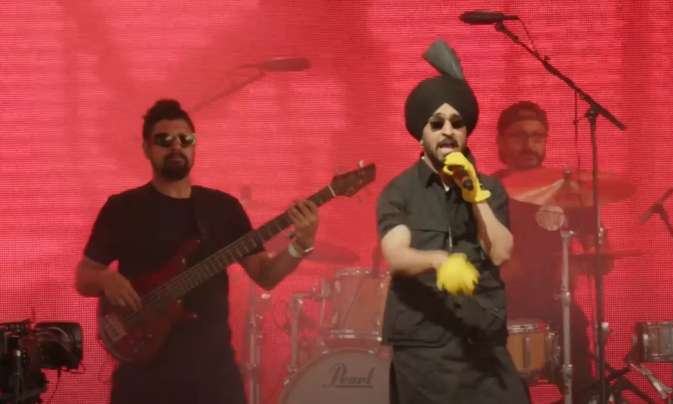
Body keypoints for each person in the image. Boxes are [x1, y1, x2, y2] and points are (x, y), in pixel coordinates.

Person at [74, 99, 319, 404]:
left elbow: (265, 275)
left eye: (185, 139)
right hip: (143, 376)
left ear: (194, 146)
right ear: (146, 148)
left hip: (213, 376)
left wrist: (301, 244)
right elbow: (83, 277)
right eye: (164, 140)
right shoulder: (122, 208)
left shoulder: (223, 208)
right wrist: (105, 279)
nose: (176, 146)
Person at [376, 73, 529, 404]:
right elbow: (396, 254)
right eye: (437, 123)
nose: (448, 130)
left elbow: (500, 252)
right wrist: (437, 260)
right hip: (424, 346)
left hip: (483, 341)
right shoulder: (400, 191)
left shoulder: (490, 188)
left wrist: (475, 195)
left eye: (457, 123)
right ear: (421, 133)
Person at [493, 100, 600, 402]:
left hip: (556, 305)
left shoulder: (567, 190)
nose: (529, 145)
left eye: (537, 137)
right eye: (519, 136)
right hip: (500, 306)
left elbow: (598, 251)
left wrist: (586, 261)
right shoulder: (484, 192)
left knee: (582, 377)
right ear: (500, 141)